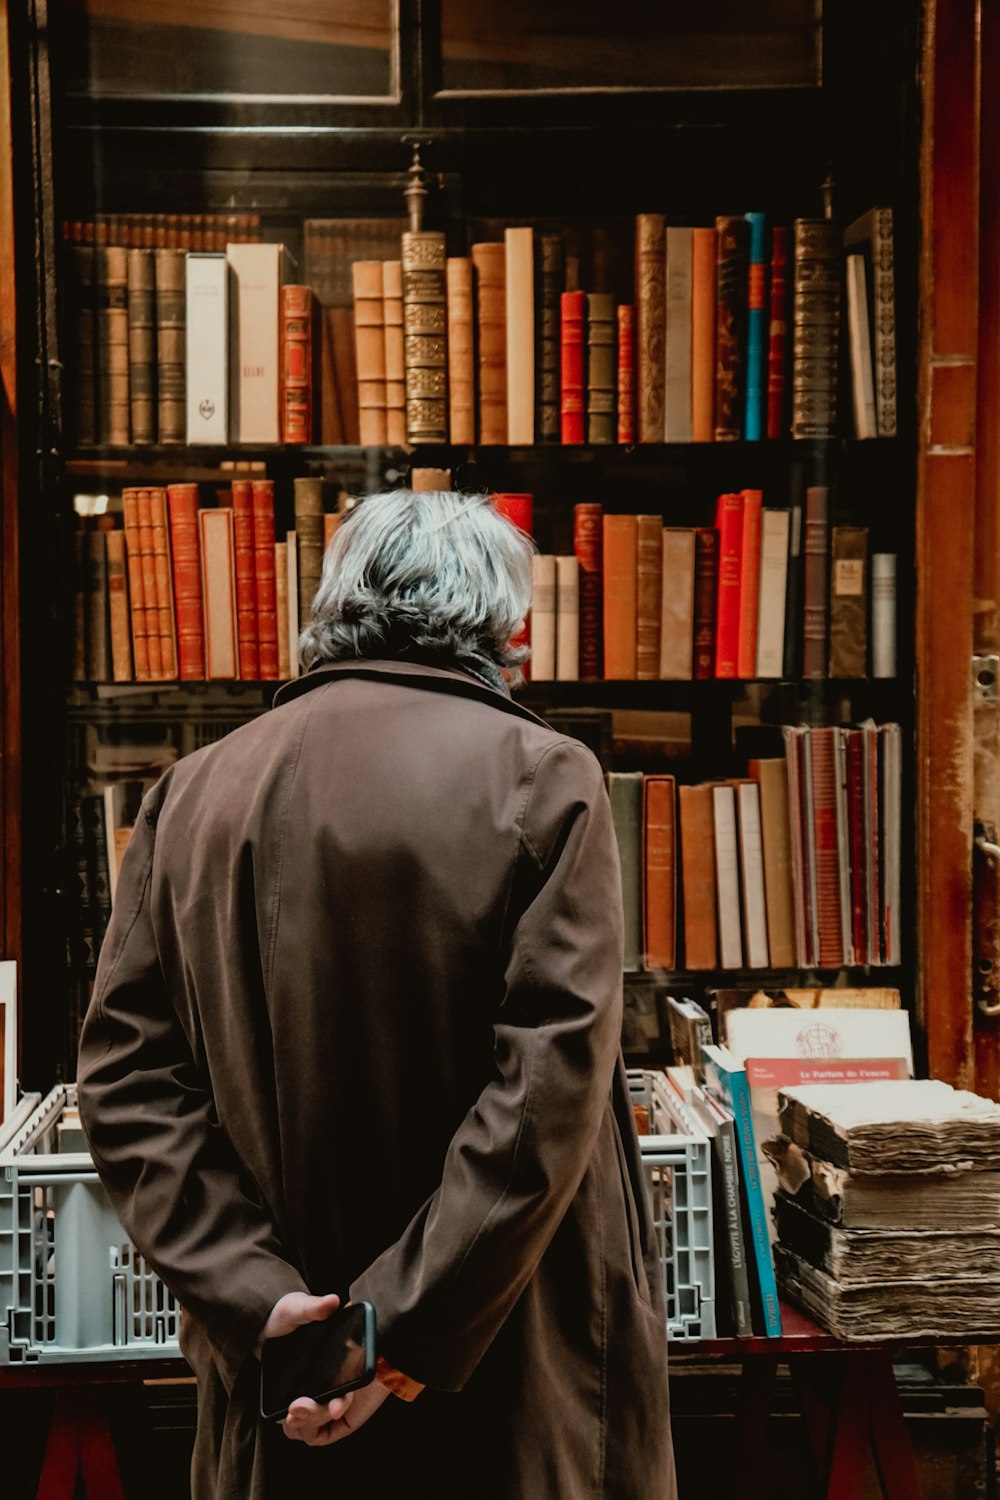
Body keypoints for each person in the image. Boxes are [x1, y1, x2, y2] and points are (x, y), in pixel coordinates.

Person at [77, 488, 676, 1499]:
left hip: (285, 1369)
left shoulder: (190, 793)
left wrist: (261, 1297)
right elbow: (542, 1097)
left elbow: (128, 1084)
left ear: (332, 600)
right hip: (498, 1360)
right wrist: (389, 1329)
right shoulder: (545, 781)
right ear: (500, 619)